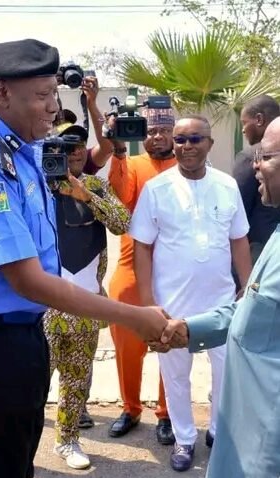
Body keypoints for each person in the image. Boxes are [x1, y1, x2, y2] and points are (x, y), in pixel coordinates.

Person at [0, 38, 168, 478]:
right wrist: (135, 317)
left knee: (16, 466)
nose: (52, 108)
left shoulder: (22, 149)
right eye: (42, 97)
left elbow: (93, 161)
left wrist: (98, 116)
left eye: (54, 95)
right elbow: (30, 281)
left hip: (17, 332)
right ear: (1, 93)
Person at [158, 115, 280, 478]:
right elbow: (251, 310)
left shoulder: (227, 188)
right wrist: (188, 330)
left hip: (266, 450)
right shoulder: (277, 236)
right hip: (245, 437)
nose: (255, 165)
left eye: (266, 155)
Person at [130, 114, 251, 472]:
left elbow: (239, 239)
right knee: (176, 377)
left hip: (221, 303)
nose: (186, 147)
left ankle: (217, 430)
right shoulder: (157, 189)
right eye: (180, 140)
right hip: (172, 306)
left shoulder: (227, 185)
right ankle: (184, 440)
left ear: (209, 144)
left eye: (195, 139)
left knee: (227, 372)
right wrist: (147, 302)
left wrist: (246, 288)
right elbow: (142, 248)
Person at [45, 119, 130, 469]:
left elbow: (122, 222)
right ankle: (16, 439)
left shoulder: (96, 184)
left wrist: (86, 196)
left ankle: (67, 440)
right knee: (32, 377)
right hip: (43, 304)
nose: (75, 151)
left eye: (80, 145)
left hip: (86, 302)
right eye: (66, 146)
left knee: (77, 376)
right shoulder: (39, 188)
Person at [106, 106, 176, 444]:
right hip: (131, 272)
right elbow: (119, 198)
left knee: (171, 345)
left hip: (174, 275)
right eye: (150, 131)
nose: (157, 136)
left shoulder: (189, 168)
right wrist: (118, 150)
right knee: (127, 348)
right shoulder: (131, 165)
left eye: (164, 130)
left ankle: (167, 413)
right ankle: (131, 408)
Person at [234, 95, 280, 266]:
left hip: (259, 250)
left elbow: (237, 209)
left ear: (259, 119)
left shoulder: (249, 156)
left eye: (244, 123)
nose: (243, 130)